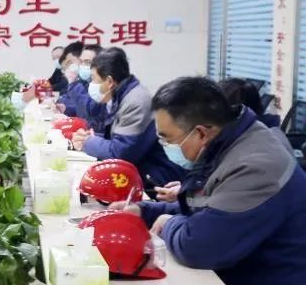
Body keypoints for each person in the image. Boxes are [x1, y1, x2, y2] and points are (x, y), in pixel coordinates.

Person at [117, 76, 306, 285]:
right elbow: (209, 209)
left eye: (167, 138)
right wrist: (146, 212)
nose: (164, 145)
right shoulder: (230, 144)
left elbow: (199, 246)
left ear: (201, 133)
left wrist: (166, 223)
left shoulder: (256, 165)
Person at [154, 77, 294, 203]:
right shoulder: (233, 143)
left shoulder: (254, 159)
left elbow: (216, 213)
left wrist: (168, 219)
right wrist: (188, 192)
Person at [71, 47, 184, 188]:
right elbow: (118, 136)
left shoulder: (135, 101)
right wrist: (91, 137)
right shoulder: (122, 95)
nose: (91, 84)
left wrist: (88, 142)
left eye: (94, 79)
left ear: (110, 81)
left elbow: (121, 153)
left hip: (154, 179)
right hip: (139, 169)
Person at [57, 44, 107, 132]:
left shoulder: (103, 86)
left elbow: (90, 111)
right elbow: (80, 109)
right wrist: (66, 108)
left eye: (88, 62)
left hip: (96, 135)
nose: (83, 66)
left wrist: (73, 84)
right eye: (81, 62)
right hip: (86, 133)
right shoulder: (86, 81)